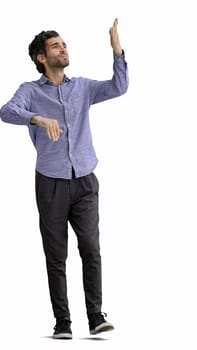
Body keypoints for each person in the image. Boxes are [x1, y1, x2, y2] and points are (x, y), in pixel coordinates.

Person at [0, 18, 129, 339]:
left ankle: (96, 316)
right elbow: (6, 111)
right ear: (41, 58)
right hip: (51, 182)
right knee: (56, 255)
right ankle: (63, 322)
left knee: (91, 249)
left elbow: (118, 87)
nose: (64, 48)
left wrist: (117, 51)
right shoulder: (29, 91)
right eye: (56, 46)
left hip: (85, 180)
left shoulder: (82, 87)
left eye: (64, 44)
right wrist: (37, 117)